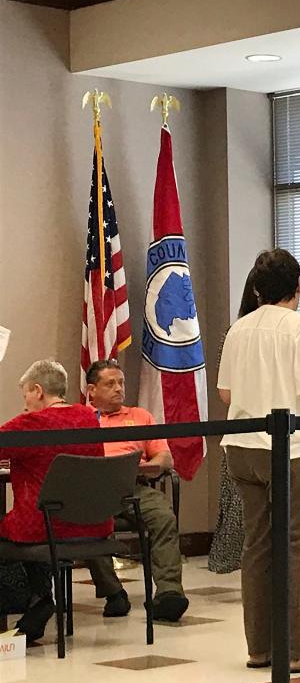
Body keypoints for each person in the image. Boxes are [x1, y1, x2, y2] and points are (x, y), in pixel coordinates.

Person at [218, 248, 300, 673]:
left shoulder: (238, 330)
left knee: (257, 546)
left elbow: (227, 395)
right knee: (296, 548)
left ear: (257, 288)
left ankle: (260, 647)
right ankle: (298, 650)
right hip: (296, 450)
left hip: (242, 447)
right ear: (297, 287)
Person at [0, 360, 107, 641]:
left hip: (43, 525)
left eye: (25, 395)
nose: (25, 402)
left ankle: (40, 598)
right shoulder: (88, 417)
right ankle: (39, 599)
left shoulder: (29, 423)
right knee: (35, 524)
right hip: (92, 523)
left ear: (37, 391)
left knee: (11, 529)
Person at [84, 361, 189, 623]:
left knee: (163, 517)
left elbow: (165, 459)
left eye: (121, 382)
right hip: (94, 488)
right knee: (87, 523)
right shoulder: (80, 418)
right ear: (91, 390)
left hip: (134, 484)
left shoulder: (140, 415)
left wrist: (141, 467)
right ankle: (114, 593)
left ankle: (169, 593)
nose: (119, 389)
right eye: (110, 384)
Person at [208, 269, 260, 574]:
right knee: (237, 503)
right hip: (244, 427)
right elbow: (226, 391)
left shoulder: (234, 332)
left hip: (246, 431)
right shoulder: (236, 333)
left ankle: (234, 560)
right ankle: (227, 559)